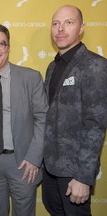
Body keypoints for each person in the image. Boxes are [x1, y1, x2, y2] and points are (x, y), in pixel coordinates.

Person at [42, 5, 107, 216]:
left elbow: (95, 125)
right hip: (50, 169)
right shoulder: (53, 67)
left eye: (68, 22)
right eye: (56, 23)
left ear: (81, 28)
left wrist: (83, 177)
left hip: (74, 172)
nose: (60, 29)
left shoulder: (95, 66)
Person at [0, 24, 48, 216]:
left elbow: (43, 119)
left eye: (1, 44)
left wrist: (34, 159)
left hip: (23, 163)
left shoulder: (30, 77)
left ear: (8, 48)